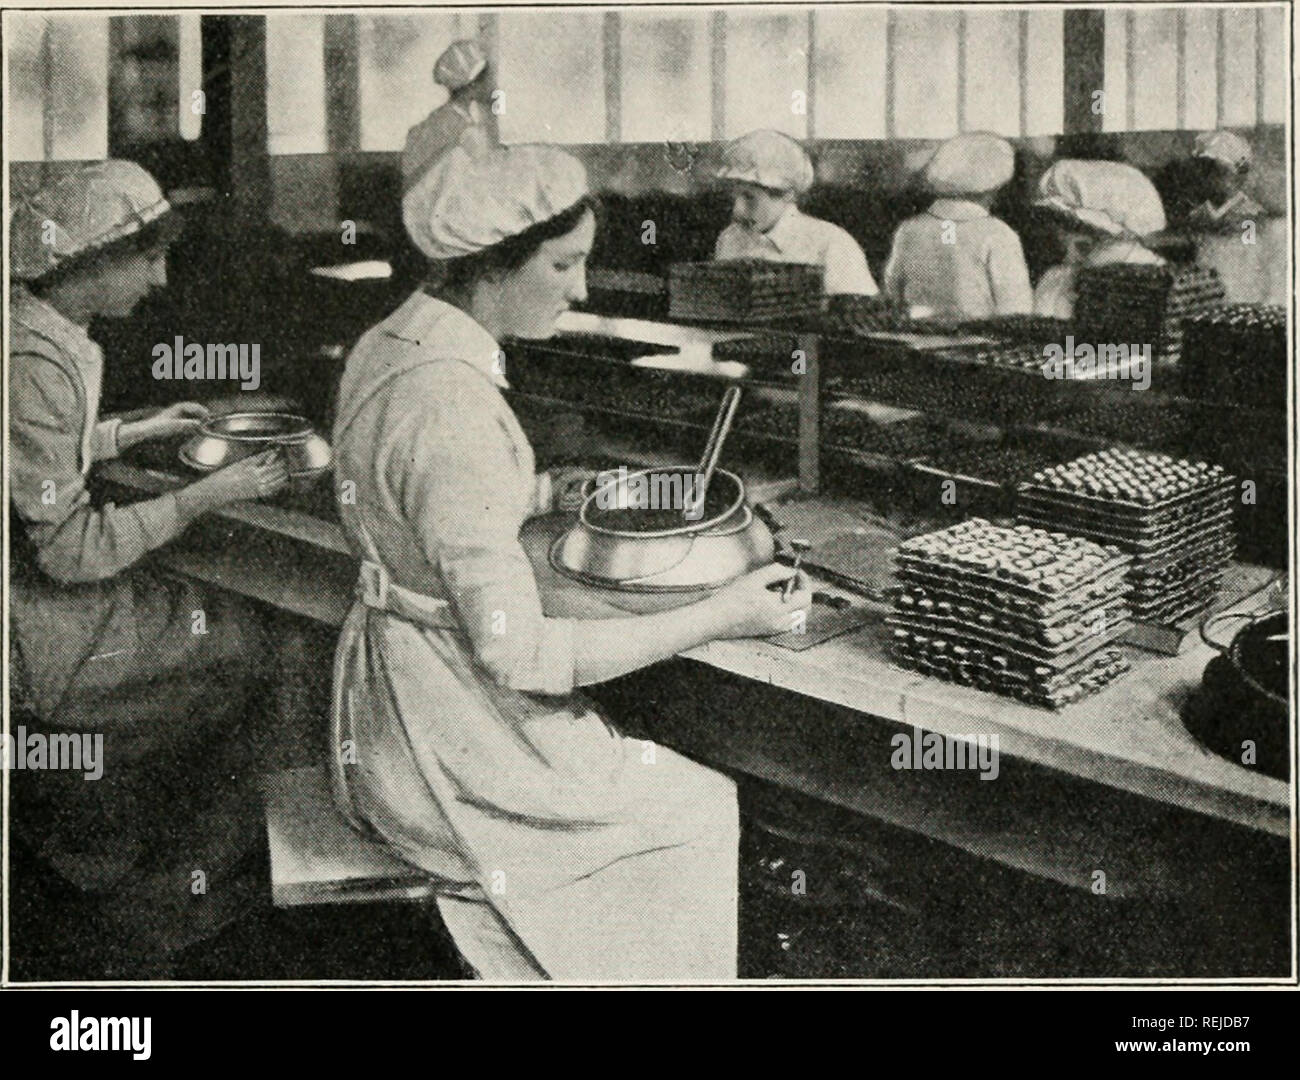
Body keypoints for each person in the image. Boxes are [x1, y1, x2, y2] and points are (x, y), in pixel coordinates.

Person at [334, 143, 812, 980]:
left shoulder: (391, 343)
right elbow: (523, 655)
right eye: (563, 263)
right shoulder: (456, 404)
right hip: (446, 751)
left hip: (383, 704)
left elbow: (413, 496)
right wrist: (723, 613)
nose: (581, 289)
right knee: (698, 806)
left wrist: (541, 490)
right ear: (489, 265)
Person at [8, 160, 290, 976]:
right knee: (260, 644)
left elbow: (39, 456)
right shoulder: (37, 361)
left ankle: (108, 851)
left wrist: (132, 431)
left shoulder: (41, 330)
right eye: (149, 258)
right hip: (41, 627)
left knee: (218, 621)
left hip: (42, 605)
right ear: (91, 260)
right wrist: (212, 495)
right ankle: (170, 895)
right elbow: (70, 550)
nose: (162, 277)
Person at [883, 132, 1032, 319]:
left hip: (914, 339)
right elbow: (1016, 313)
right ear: (996, 187)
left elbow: (893, 293)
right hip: (979, 344)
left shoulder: (909, 229)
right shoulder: (998, 235)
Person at [714, 129, 877, 296]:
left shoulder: (832, 244)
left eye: (749, 197)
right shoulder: (729, 239)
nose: (737, 211)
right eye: (734, 197)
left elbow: (860, 317)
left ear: (786, 194)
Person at [1032, 159, 1167, 319]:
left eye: (1074, 225)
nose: (1060, 233)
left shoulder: (1153, 277)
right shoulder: (1055, 278)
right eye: (1059, 222)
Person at [400, 39, 496, 195]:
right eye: (485, 80)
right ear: (472, 85)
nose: (490, 85)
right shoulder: (467, 131)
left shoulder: (436, 118)